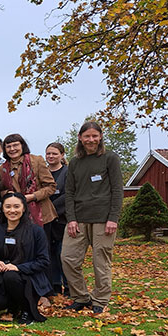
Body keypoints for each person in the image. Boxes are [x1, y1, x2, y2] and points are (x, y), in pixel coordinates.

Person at [62, 121, 123, 314]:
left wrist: (113, 217)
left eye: (95, 136)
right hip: (78, 219)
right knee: (68, 258)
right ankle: (80, 297)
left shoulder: (109, 158)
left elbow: (117, 190)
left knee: (101, 262)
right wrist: (71, 219)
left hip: (103, 219)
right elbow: (69, 192)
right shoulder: (75, 162)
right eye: (87, 136)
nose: (91, 140)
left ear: (100, 137)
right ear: (80, 138)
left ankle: (100, 299)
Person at [0, 193, 52, 324]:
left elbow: (44, 261)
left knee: (11, 276)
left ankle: (27, 310)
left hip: (28, 279)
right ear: (2, 209)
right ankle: (13, 308)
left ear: (24, 208)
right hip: (1, 279)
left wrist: (17, 268)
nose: (12, 210)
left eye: (16, 206)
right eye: (8, 207)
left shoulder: (36, 231)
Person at [0, 133, 57, 227]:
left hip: (42, 215)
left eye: (15, 145)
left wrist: (33, 196)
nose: (12, 149)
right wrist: (7, 193)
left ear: (22, 145)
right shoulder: (2, 169)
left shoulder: (36, 161)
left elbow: (51, 187)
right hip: (16, 217)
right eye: (8, 147)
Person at [44, 142, 69, 296]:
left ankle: (68, 286)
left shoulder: (67, 172)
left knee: (63, 255)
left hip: (63, 219)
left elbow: (68, 194)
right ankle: (54, 284)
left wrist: (51, 207)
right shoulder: (44, 172)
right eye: (48, 154)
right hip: (46, 222)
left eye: (54, 153)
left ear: (62, 155)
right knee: (50, 254)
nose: (51, 156)